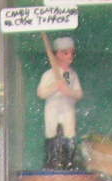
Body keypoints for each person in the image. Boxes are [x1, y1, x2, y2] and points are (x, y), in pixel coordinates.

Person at [36, 36, 83, 169]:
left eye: (72, 53)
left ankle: (69, 162)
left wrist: (68, 91)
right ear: (57, 55)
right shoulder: (49, 74)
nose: (70, 56)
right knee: (52, 134)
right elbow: (41, 93)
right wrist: (56, 86)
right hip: (53, 110)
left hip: (68, 109)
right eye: (66, 53)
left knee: (69, 133)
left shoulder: (72, 75)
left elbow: (79, 93)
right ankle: (52, 162)